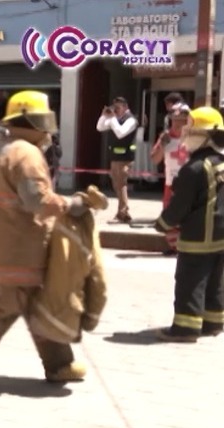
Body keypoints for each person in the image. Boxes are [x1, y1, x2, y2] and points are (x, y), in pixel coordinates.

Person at [0, 90, 92, 390]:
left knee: (37, 305)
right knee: (4, 306)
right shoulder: (26, 154)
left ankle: (59, 364)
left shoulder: (0, 151)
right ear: (34, 122)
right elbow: (37, 200)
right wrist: (72, 205)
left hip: (4, 245)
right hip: (19, 249)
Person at [155, 106, 224, 342]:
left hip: (197, 238)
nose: (185, 134)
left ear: (203, 134)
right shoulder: (220, 162)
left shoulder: (193, 169)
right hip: (220, 237)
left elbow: (180, 206)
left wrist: (162, 224)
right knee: (215, 283)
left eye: (190, 130)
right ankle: (213, 323)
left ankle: (185, 329)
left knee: (190, 282)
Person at [150, 106, 191, 254]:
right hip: (170, 184)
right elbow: (155, 160)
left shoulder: (193, 137)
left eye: (182, 120)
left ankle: (186, 247)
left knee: (189, 215)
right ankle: (173, 247)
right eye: (175, 120)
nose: (178, 124)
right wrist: (162, 145)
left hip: (190, 184)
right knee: (170, 215)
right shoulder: (165, 137)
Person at [96, 96, 138, 223]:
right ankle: (123, 212)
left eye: (118, 108)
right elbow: (99, 127)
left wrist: (112, 118)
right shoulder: (115, 119)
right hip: (115, 157)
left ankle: (123, 212)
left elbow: (120, 133)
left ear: (125, 107)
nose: (116, 110)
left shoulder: (131, 120)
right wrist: (104, 116)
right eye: (114, 108)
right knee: (116, 184)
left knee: (121, 184)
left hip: (125, 158)